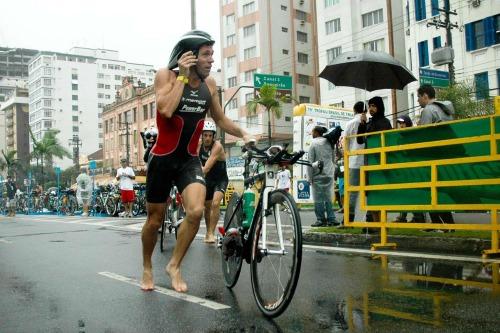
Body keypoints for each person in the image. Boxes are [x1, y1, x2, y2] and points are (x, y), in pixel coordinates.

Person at [141, 30, 254, 292]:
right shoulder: (165, 76)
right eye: (206, 54)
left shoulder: (210, 85)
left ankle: (174, 265)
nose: (211, 60)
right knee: (154, 220)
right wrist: (181, 75)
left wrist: (244, 132)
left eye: (212, 54)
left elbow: (221, 119)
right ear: (189, 57)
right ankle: (147, 266)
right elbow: (166, 109)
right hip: (162, 158)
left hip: (188, 160)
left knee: (194, 211)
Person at [417, 84, 455, 230]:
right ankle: (446, 225)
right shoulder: (446, 110)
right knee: (440, 191)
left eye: (419, 97)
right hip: (447, 156)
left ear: (425, 96)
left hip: (432, 157)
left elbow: (424, 136)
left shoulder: (428, 110)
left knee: (431, 191)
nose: (418, 101)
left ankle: (442, 225)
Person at [357, 96, 392, 227]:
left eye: (374, 106)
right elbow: (359, 140)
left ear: (379, 107)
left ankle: (382, 224)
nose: (371, 109)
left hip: (380, 163)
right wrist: (362, 124)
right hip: (369, 163)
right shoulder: (369, 123)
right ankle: (376, 224)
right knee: (370, 193)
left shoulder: (385, 122)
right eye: (369, 106)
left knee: (381, 194)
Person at [198, 119, 228, 244]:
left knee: (215, 203)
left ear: (214, 136)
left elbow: (206, 168)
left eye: (210, 135)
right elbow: (194, 161)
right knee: (207, 207)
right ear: (202, 135)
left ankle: (211, 233)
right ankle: (208, 231)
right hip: (208, 181)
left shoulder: (217, 147)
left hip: (220, 179)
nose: (208, 138)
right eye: (205, 135)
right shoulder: (198, 145)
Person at [393, 115, 426, 223]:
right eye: (400, 124)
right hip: (404, 168)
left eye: (403, 123)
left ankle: (418, 216)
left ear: (408, 123)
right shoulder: (400, 137)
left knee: (413, 193)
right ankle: (404, 216)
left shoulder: (413, 135)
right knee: (405, 193)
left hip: (413, 169)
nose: (401, 125)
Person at [308, 126, 338, 227]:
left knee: (318, 198)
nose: (312, 134)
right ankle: (331, 219)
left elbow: (310, 162)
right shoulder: (329, 142)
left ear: (316, 132)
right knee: (329, 197)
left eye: (312, 131)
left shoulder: (313, 143)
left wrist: (309, 178)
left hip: (318, 174)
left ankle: (320, 219)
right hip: (329, 173)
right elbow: (333, 159)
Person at [344, 101, 366, 221]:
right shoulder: (367, 123)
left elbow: (345, 143)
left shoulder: (350, 123)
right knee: (367, 190)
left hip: (354, 160)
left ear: (354, 110)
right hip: (367, 160)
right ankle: (368, 216)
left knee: (352, 191)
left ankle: (349, 217)